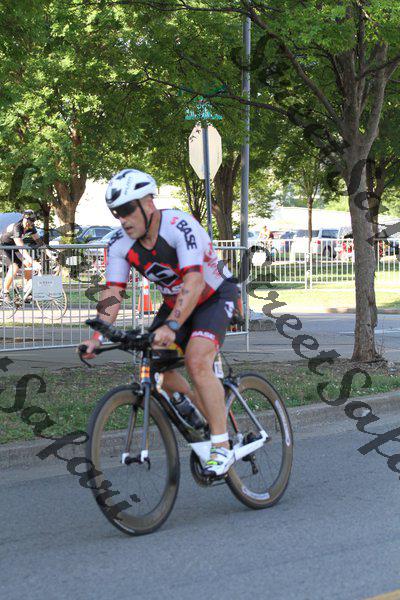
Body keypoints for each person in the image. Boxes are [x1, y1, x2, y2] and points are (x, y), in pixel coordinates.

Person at [80, 169, 239, 476]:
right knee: (153, 365)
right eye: (116, 213)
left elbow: (194, 280)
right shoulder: (119, 243)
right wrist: (97, 336)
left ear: (148, 204)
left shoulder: (179, 225)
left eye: (127, 210)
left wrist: (173, 325)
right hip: (175, 303)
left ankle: (222, 445)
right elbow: (113, 293)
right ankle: (203, 414)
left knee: (196, 360)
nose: (123, 219)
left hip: (213, 296)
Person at [0, 210, 53, 302]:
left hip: (14, 247)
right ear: (23, 218)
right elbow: (21, 248)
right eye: (28, 221)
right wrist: (33, 261)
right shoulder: (17, 227)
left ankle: (26, 291)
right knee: (15, 266)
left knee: (28, 264)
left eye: (32, 221)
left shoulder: (31, 227)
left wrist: (51, 255)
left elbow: (40, 243)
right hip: (4, 246)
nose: (29, 223)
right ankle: (4, 292)